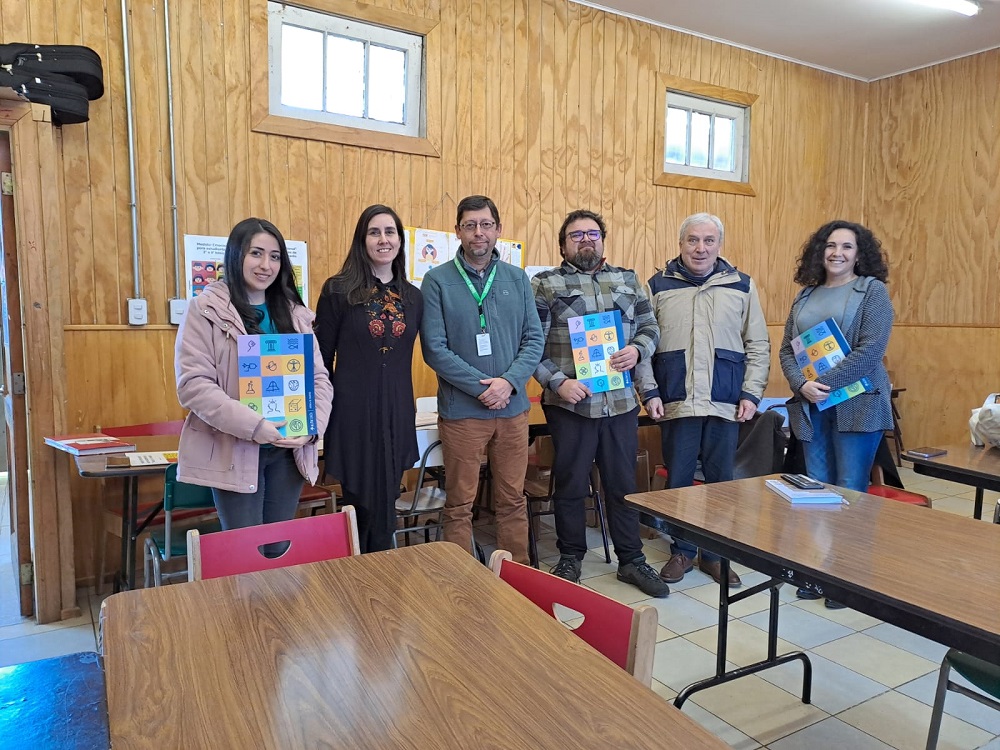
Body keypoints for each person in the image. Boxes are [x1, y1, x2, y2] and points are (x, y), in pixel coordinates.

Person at [532, 209, 669, 597]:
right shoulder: (545, 284)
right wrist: (558, 383)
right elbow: (530, 344)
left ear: (603, 240)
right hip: (572, 405)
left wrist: (638, 351)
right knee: (571, 485)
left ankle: (632, 560)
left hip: (621, 403)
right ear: (562, 245)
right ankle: (571, 557)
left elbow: (650, 327)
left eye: (592, 233)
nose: (585, 240)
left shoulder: (627, 280)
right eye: (576, 235)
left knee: (622, 485)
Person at [175, 217, 333, 537]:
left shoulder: (294, 315)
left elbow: (320, 380)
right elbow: (194, 385)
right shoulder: (205, 310)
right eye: (256, 253)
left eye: (275, 257)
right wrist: (255, 426)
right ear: (236, 256)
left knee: (277, 549)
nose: (266, 265)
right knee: (244, 552)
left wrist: (311, 429)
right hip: (234, 451)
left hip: (288, 451)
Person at [636, 212, 770, 588]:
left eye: (709, 241)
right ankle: (683, 550)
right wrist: (649, 391)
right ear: (680, 244)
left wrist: (751, 393)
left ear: (719, 245)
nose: (700, 248)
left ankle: (715, 554)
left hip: (725, 400)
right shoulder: (658, 285)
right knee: (678, 480)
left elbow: (757, 344)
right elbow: (643, 344)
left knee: (720, 482)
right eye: (693, 240)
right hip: (677, 399)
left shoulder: (742, 286)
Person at [420, 195, 543, 564]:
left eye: (486, 224)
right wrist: (482, 388)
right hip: (463, 414)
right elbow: (435, 349)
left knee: (512, 500)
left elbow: (533, 339)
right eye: (470, 225)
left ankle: (517, 578)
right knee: (459, 503)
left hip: (513, 410)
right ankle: (464, 583)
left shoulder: (517, 279)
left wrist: (508, 383)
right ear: (457, 231)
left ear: (498, 230)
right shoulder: (437, 281)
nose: (479, 233)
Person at [779, 220, 893, 608]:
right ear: (820, 251)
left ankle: (850, 576)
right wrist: (802, 386)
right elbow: (786, 351)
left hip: (857, 404)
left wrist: (823, 382)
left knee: (850, 488)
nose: (837, 253)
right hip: (813, 406)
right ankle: (820, 570)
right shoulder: (806, 294)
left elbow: (870, 350)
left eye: (846, 246)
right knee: (818, 489)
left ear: (860, 254)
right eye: (830, 245)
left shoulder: (872, 292)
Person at [315, 205, 423, 553]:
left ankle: (383, 581)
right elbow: (320, 359)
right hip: (353, 415)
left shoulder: (413, 297)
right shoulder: (338, 291)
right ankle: (359, 579)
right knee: (358, 504)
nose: (383, 239)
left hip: (396, 413)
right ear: (362, 240)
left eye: (390, 232)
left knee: (388, 502)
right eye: (374, 232)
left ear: (400, 240)